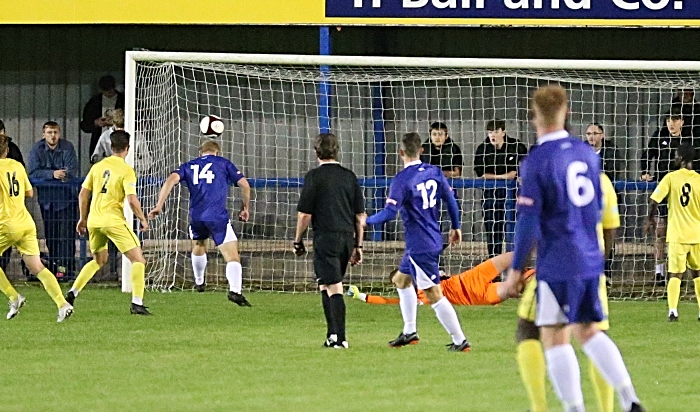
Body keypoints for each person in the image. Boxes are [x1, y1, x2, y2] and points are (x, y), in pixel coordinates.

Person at [503, 84, 645, 412]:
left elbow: (527, 222)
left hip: (558, 261)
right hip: (590, 258)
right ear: (566, 112)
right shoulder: (586, 154)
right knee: (589, 331)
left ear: (534, 116)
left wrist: (514, 271)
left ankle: (574, 409)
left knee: (553, 334)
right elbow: (596, 210)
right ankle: (631, 400)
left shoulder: (536, 161)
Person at [516, 172, 620, 412]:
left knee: (530, 330)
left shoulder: (547, 174)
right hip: (591, 267)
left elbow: (530, 222)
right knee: (594, 333)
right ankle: (610, 406)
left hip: (557, 266)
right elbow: (610, 228)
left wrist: (518, 268)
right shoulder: (600, 178)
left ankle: (541, 407)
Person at [365, 132, 470, 352]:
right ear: (421, 150)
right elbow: (450, 200)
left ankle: (460, 341)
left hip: (420, 245)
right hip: (429, 238)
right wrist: (456, 227)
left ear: (400, 152)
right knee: (402, 281)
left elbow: (389, 213)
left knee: (434, 294)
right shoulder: (434, 172)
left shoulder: (402, 180)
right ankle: (409, 330)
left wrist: (367, 221)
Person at [148, 141, 252, 304]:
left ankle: (199, 281)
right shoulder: (223, 163)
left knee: (199, 244)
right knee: (232, 256)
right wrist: (245, 207)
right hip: (217, 217)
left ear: (200, 152)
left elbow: (170, 180)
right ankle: (235, 291)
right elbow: (244, 184)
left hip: (196, 217)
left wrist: (159, 205)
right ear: (217, 152)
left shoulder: (189, 165)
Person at [65, 130, 151, 315]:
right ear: (127, 148)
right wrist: (142, 219)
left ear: (111, 147)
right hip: (113, 221)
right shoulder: (127, 170)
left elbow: (83, 193)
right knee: (138, 260)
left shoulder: (97, 167)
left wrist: (82, 218)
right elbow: (132, 199)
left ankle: (73, 292)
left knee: (99, 260)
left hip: (94, 221)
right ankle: (137, 302)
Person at [294, 133, 365, 349]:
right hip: (346, 237)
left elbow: (305, 215)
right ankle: (331, 335)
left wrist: (298, 240)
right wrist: (358, 245)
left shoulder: (314, 177)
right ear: (337, 151)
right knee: (325, 284)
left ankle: (341, 338)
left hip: (326, 237)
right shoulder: (349, 176)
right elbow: (360, 217)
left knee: (334, 287)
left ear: (316, 152)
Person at [0, 134, 73, 322]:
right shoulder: (16, 165)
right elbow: (30, 192)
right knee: (37, 266)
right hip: (25, 222)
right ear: (7, 150)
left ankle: (14, 297)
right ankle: (62, 304)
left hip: (6, 224)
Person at [641, 107, 699, 286]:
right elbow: (646, 155)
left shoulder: (690, 140)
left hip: (684, 193)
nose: (670, 124)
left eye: (674, 120)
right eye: (668, 120)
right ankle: (659, 272)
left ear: (682, 121)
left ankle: (682, 273)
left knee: (685, 236)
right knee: (660, 231)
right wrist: (645, 172)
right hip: (665, 189)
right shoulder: (660, 136)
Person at [348, 252, 532, 307]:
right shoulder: (417, 299)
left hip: (470, 278)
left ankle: (547, 254)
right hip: (477, 296)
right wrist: (362, 296)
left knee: (512, 257)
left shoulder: (425, 280)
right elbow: (388, 301)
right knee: (514, 288)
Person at [647, 144, 700, 322]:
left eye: (676, 156)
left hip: (677, 234)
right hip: (697, 234)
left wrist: (650, 219)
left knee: (675, 274)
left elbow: (654, 199)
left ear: (682, 158)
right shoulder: (699, 179)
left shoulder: (670, 178)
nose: (674, 158)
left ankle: (673, 311)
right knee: (698, 274)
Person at [28, 121, 79, 279]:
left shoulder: (67, 147)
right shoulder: (36, 149)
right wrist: (53, 175)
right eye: (49, 132)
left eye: (55, 132)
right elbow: (33, 173)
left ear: (59, 133)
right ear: (44, 134)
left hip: (67, 200)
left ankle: (66, 269)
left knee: (66, 236)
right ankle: (55, 266)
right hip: (47, 201)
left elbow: (72, 169)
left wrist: (60, 174)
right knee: (51, 235)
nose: (53, 136)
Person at [474, 119, 528, 257]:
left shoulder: (516, 147)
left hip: (513, 196)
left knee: (515, 231)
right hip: (491, 197)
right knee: (493, 232)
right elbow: (482, 174)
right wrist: (505, 176)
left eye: (496, 131)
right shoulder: (483, 149)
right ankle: (494, 265)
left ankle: (517, 263)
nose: (492, 135)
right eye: (490, 132)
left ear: (503, 132)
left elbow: (525, 169)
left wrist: (516, 176)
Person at [0, 120, 26, 275]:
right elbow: (29, 191)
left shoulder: (13, 150)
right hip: (17, 215)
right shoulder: (16, 164)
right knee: (35, 263)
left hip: (7, 212)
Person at [80, 75, 125, 159]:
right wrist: (96, 123)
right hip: (100, 142)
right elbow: (84, 125)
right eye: (105, 91)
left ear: (114, 87)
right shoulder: (94, 102)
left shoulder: (124, 100)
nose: (108, 94)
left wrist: (118, 123)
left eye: (110, 91)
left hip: (120, 142)